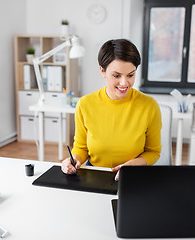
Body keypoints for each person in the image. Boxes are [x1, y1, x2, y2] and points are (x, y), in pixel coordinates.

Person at [61, 39, 162, 180]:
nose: (124, 83)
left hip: (133, 176)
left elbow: (153, 152)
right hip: (95, 175)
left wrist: (133, 166)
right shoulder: (85, 104)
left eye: (130, 75)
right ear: (102, 71)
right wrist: (75, 159)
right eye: (116, 75)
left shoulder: (149, 106)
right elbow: (81, 147)